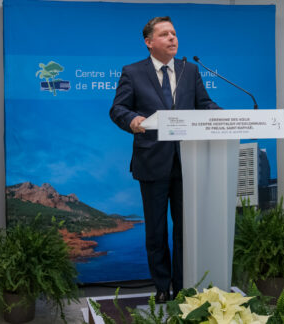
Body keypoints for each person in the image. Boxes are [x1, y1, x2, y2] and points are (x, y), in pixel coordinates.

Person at [109, 16, 219, 303]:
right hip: (152, 162)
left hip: (187, 162)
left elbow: (204, 104)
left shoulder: (190, 70)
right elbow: (118, 108)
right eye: (165, 34)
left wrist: (225, 116)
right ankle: (161, 287)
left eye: (174, 33)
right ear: (149, 42)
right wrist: (133, 120)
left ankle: (182, 287)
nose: (173, 38)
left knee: (184, 230)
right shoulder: (132, 72)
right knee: (156, 231)